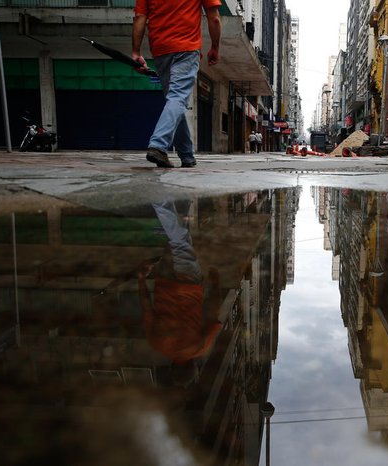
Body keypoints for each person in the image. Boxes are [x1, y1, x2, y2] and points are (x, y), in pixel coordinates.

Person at [132, 0, 222, 169]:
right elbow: (214, 18)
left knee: (174, 100)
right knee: (177, 98)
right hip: (187, 48)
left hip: (160, 49)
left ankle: (187, 155)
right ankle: (158, 145)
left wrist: (136, 52)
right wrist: (215, 48)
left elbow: (139, 17)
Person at [139, 201, 222, 370]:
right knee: (176, 243)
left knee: (180, 243)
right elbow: (147, 309)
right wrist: (141, 279)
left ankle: (159, 199)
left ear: (193, 366)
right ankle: (181, 204)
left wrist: (215, 285)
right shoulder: (157, 344)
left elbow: (213, 312)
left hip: (189, 285)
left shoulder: (199, 349)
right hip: (163, 282)